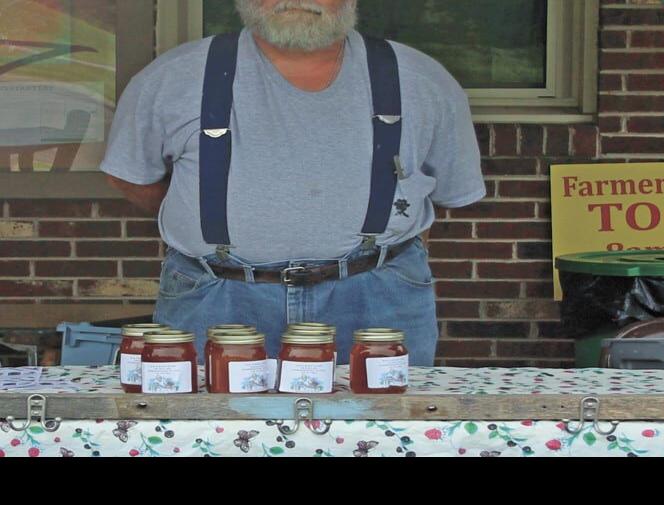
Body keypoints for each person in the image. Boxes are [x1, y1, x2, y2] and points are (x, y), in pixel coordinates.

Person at [100, 0, 485, 364]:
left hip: (379, 299)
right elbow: (131, 177)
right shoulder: (173, 78)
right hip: (215, 297)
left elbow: (443, 194)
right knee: (204, 427)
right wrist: (200, 220)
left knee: (385, 429)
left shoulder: (422, 81)